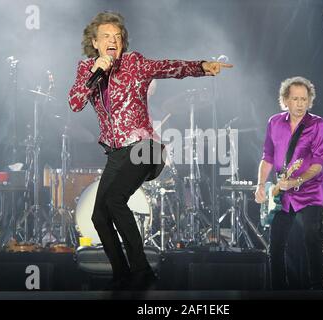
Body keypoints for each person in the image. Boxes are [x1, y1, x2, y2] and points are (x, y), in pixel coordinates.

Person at [68, 11, 232, 290]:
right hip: (117, 153)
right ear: (94, 43)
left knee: (115, 200)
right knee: (98, 216)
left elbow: (169, 67)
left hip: (145, 147)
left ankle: (141, 270)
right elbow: (75, 103)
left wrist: (203, 66)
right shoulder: (87, 70)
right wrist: (97, 70)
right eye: (106, 36)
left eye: (117, 37)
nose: (113, 40)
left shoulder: (133, 63)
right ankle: (121, 274)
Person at [254, 76, 323, 290]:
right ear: (285, 100)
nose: (300, 103)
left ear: (309, 101)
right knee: (275, 245)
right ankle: (278, 290)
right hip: (282, 193)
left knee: (312, 239)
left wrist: (297, 180)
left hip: (311, 191)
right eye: (295, 99)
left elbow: (318, 163)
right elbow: (267, 157)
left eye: (304, 99)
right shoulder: (274, 122)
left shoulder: (317, 124)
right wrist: (260, 185)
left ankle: (318, 290)